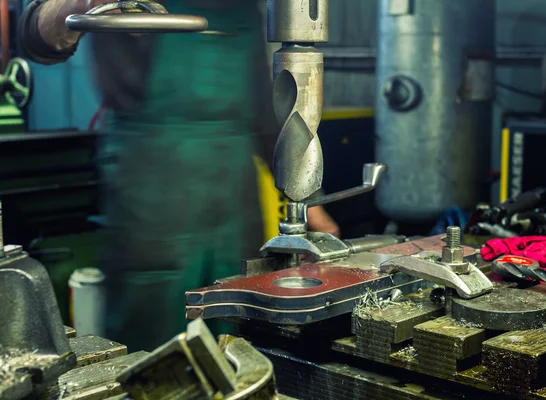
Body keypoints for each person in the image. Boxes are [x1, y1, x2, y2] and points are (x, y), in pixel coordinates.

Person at [18, 0, 339, 351]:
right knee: (153, 332)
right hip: (157, 183)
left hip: (233, 188)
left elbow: (264, 117)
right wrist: (84, 4)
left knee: (238, 322)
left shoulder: (245, 8)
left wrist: (311, 203)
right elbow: (36, 36)